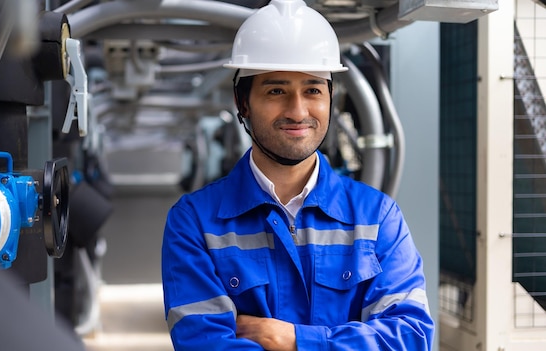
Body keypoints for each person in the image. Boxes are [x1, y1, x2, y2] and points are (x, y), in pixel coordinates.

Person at [161, 0, 435, 350]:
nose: (298, 110)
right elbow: (205, 343)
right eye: (276, 90)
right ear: (242, 102)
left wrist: (294, 340)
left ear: (331, 97)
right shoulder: (194, 222)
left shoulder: (377, 216)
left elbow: (411, 338)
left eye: (313, 90)